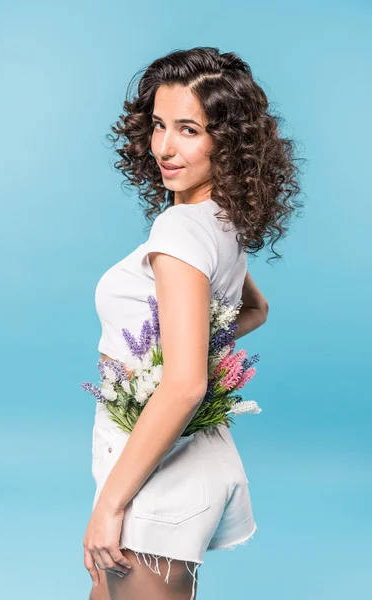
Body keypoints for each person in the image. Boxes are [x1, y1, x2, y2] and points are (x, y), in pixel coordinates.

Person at [83, 46, 304, 600]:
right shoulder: (220, 223)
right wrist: (166, 360)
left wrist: (109, 506)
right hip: (166, 459)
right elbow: (254, 310)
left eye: (188, 129)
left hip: (156, 478)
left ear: (226, 142)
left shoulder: (181, 230)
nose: (164, 147)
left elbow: (184, 383)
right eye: (158, 126)